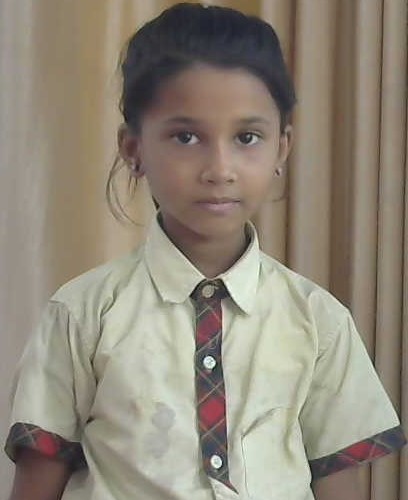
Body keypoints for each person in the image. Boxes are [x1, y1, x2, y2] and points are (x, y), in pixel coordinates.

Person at [5, 3, 406, 500]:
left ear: (281, 148)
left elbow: (338, 486)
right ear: (133, 149)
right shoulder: (81, 315)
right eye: (186, 136)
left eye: (246, 137)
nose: (220, 168)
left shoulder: (318, 321)